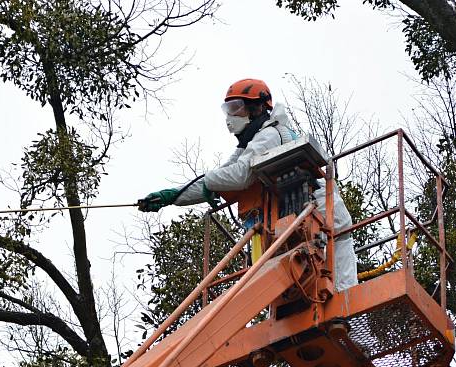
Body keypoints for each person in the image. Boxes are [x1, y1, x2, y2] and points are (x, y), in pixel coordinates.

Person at [139, 78, 357, 292]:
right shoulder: (250, 145)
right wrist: (171, 197)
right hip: (302, 220)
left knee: (340, 290)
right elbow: (222, 178)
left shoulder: (271, 135)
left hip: (323, 217)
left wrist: (209, 180)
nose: (231, 116)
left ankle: (346, 317)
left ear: (258, 107)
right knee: (305, 287)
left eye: (237, 108)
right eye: (228, 109)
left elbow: (240, 176)